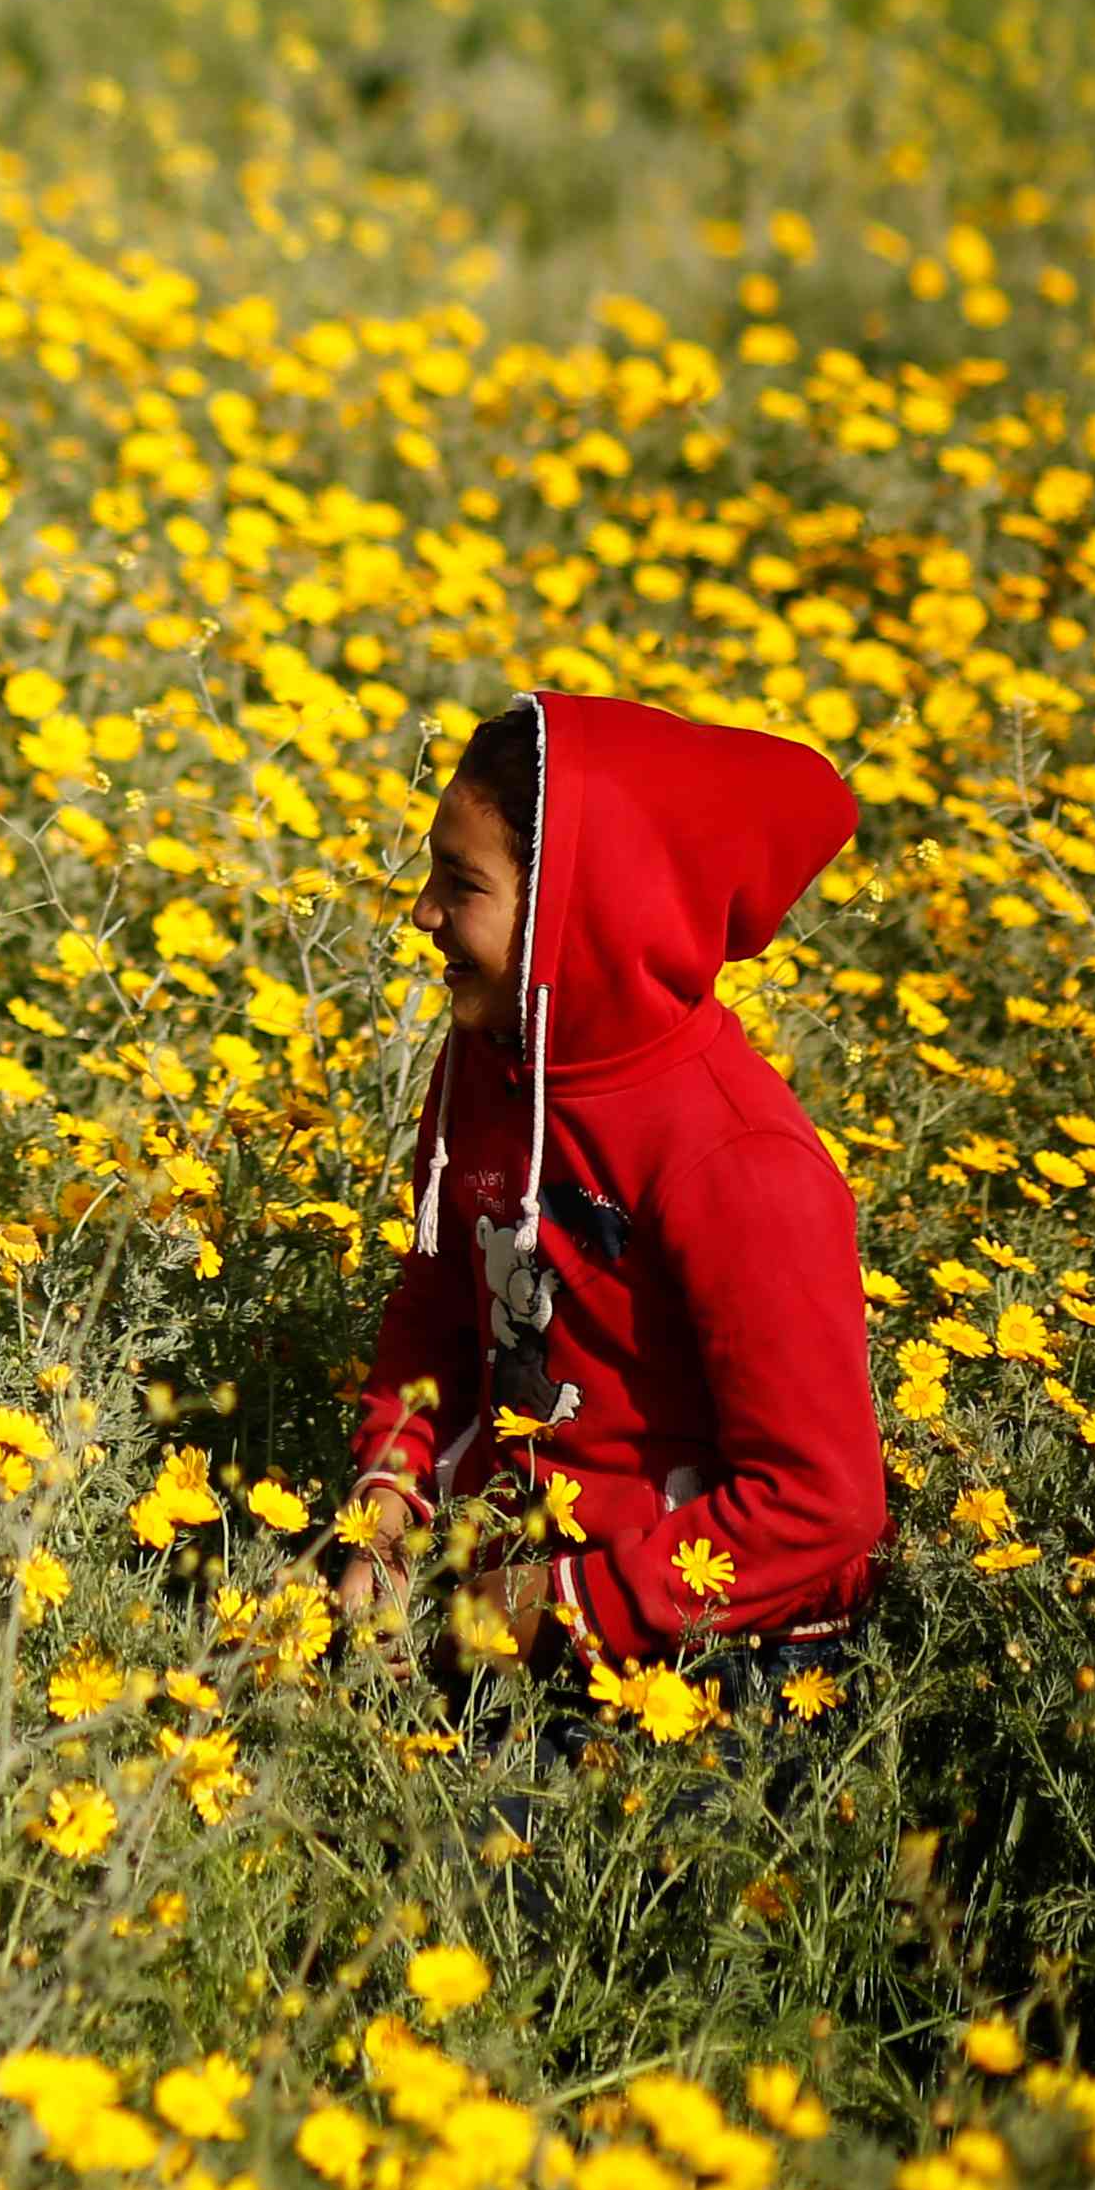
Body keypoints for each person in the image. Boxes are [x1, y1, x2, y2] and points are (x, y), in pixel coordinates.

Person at [340, 692, 884, 1710]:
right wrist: (387, 1493)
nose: (420, 913)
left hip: (717, 1655)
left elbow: (822, 1501)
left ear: (571, 917)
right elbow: (436, 1308)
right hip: (506, 1594)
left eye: (460, 885)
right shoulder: (492, 1065)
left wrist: (551, 1604)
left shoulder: (738, 1159)